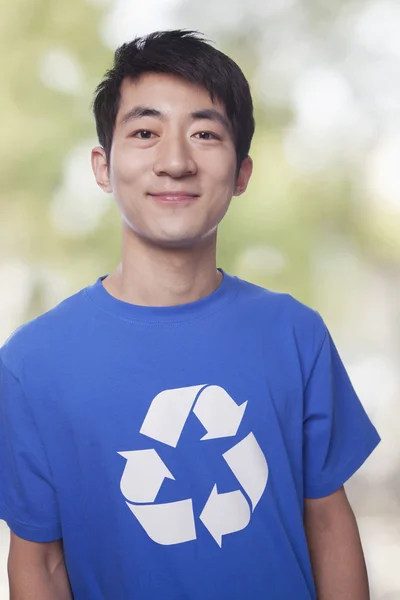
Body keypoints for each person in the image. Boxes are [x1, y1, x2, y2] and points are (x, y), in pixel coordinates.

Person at [0, 29, 380, 600]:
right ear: (103, 166)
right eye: (146, 132)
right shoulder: (32, 364)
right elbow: (40, 564)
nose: (175, 162)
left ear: (242, 171)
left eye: (205, 134)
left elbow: (328, 522)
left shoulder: (295, 334)